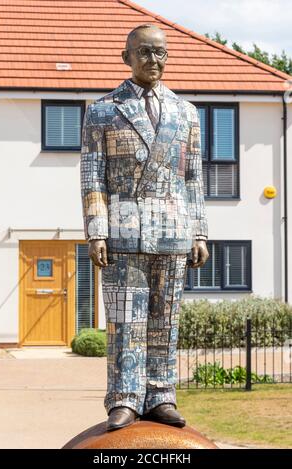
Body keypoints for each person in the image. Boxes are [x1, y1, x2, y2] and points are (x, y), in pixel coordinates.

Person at [80, 24, 209, 432]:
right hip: (123, 232)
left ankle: (161, 395)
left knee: (165, 320)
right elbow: (92, 176)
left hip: (172, 232)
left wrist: (199, 232)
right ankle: (124, 399)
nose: (154, 60)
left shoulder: (185, 112)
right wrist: (96, 230)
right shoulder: (103, 110)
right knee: (124, 321)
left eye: (161, 52)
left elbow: (193, 179)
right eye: (145, 52)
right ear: (127, 57)